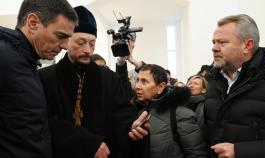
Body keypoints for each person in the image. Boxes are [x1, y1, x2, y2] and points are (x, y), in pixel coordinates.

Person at [39, 6, 149, 158]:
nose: (88, 50)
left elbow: (121, 116)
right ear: (67, 41)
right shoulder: (45, 77)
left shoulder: (110, 79)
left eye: (92, 44)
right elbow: (43, 121)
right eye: (81, 42)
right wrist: (85, 142)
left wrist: (131, 126)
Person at [0, 0, 78, 157]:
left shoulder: (26, 61)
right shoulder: (4, 58)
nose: (65, 46)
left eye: (68, 38)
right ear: (33, 23)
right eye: (60, 36)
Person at [205, 14, 265, 158]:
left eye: (222, 42)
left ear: (247, 45)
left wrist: (240, 151)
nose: (214, 48)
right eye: (213, 42)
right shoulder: (214, 80)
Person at [132, 64, 207, 158]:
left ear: (160, 87)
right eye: (137, 80)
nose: (137, 86)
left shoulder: (180, 114)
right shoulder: (136, 110)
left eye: (144, 82)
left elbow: (197, 154)